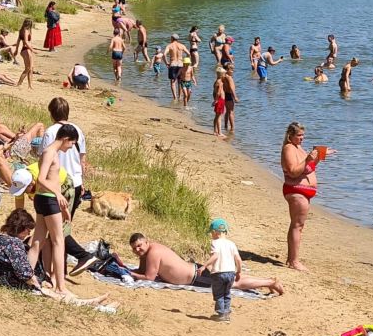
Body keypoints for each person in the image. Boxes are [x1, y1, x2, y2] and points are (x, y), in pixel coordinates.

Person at [128, 233, 284, 294]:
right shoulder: (148, 252)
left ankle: (270, 282)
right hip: (196, 272)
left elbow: (148, 277)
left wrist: (128, 273)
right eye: (135, 248)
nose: (138, 250)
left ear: (147, 242)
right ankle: (267, 281)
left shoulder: (153, 253)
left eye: (140, 245)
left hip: (197, 277)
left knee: (233, 284)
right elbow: (142, 271)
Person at [26, 124, 79, 294]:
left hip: (44, 199)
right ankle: (60, 287)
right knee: (58, 241)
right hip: (48, 199)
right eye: (71, 143)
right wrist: (58, 194)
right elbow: (41, 179)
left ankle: (25, 275)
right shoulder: (50, 152)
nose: (71, 147)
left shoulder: (51, 152)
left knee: (38, 241)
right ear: (65, 139)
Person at [41, 98, 89, 222]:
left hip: (56, 182)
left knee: (52, 225)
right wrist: (82, 181)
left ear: (51, 113)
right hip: (75, 181)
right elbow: (82, 159)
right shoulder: (78, 130)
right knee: (66, 223)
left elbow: (42, 159)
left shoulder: (50, 132)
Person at [281, 122, 321, 271]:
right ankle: (293, 261)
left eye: (303, 135)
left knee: (299, 226)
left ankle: (292, 258)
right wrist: (307, 159)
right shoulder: (288, 148)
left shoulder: (299, 148)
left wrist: (317, 157)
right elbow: (293, 171)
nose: (302, 138)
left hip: (303, 192)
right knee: (297, 225)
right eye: (299, 135)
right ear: (290, 136)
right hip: (296, 191)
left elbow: (308, 168)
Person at [0, 209, 43, 290]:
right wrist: (38, 285)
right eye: (28, 231)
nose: (29, 234)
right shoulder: (13, 243)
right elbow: (25, 274)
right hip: (7, 284)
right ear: (21, 227)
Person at [203, 218, 241, 322]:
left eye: (211, 233)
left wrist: (204, 265)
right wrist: (238, 271)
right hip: (231, 273)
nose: (211, 235)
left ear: (215, 232)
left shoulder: (215, 243)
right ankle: (226, 312)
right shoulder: (232, 244)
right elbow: (238, 259)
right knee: (227, 293)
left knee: (219, 294)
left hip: (219, 273)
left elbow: (215, 256)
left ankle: (221, 314)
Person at [165, 34, 190, 100]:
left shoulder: (169, 46)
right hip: (181, 64)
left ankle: (175, 98)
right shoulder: (182, 46)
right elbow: (188, 54)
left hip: (173, 64)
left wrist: (166, 63)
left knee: (173, 82)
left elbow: (164, 55)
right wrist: (185, 62)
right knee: (180, 82)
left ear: (172, 38)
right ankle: (180, 97)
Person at [15, 18, 35, 88]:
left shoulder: (21, 30)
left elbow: (18, 41)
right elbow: (26, 42)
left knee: (31, 68)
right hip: (26, 50)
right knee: (28, 68)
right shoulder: (26, 31)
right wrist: (32, 49)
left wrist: (16, 50)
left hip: (25, 50)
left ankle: (30, 85)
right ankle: (19, 83)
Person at [223, 63, 239, 132]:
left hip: (224, 94)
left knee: (227, 111)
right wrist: (235, 97)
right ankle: (232, 128)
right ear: (227, 70)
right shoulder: (229, 78)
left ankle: (226, 125)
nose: (233, 71)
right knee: (231, 112)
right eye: (231, 69)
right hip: (229, 95)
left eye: (233, 69)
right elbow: (232, 88)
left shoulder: (223, 76)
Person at [212, 67, 226, 134]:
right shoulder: (220, 82)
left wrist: (215, 99)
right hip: (220, 100)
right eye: (224, 74)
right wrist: (216, 100)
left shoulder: (216, 81)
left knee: (217, 116)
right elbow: (218, 92)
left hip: (218, 99)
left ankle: (216, 131)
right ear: (221, 75)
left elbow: (214, 91)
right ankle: (219, 132)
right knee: (218, 116)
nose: (224, 75)